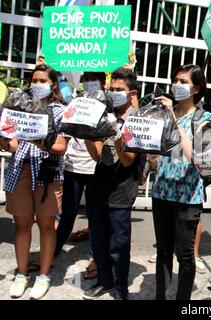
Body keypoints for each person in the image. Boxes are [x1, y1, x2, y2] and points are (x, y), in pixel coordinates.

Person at [1, 64, 69, 300]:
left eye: (43, 80)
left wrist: (43, 142)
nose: (38, 84)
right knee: (21, 224)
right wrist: (4, 139)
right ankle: (22, 273)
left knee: (47, 225)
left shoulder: (60, 111)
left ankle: (43, 275)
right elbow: (12, 145)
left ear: (53, 84)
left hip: (47, 174)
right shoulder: (19, 107)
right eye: (34, 80)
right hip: (20, 170)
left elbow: (61, 146)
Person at [151, 64, 211, 300]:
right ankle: (161, 296)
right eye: (175, 80)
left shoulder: (203, 117)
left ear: (196, 88)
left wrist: (174, 120)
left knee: (185, 255)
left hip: (187, 195)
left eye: (183, 82)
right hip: (161, 191)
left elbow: (194, 156)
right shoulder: (165, 111)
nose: (177, 86)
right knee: (163, 251)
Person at [83, 67, 139, 300]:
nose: (114, 93)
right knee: (99, 240)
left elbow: (128, 160)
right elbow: (97, 155)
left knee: (118, 243)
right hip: (98, 185)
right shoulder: (102, 115)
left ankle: (121, 288)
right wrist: (86, 131)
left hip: (122, 190)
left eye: (120, 90)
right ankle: (104, 281)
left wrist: (116, 133)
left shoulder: (137, 121)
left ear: (131, 92)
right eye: (112, 89)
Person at [54, 72, 107, 280]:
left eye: (93, 79)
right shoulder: (73, 102)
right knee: (67, 213)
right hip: (73, 166)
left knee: (96, 216)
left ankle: (94, 258)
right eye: (86, 79)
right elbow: (60, 83)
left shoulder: (108, 105)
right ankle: (53, 251)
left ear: (103, 84)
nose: (89, 83)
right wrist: (53, 70)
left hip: (96, 168)